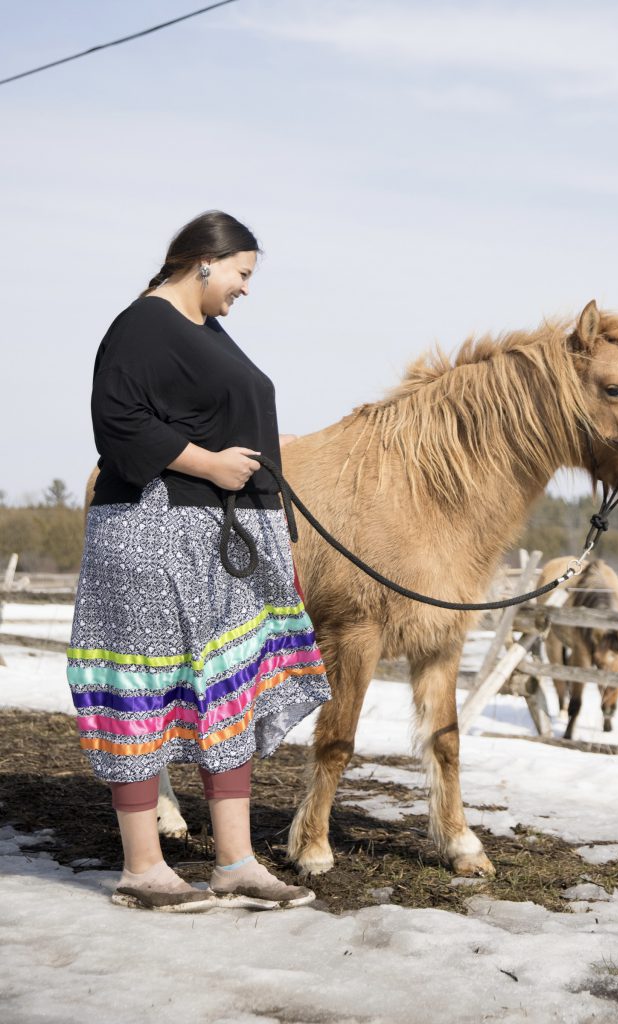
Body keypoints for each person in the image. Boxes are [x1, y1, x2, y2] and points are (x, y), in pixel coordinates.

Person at [67, 211, 332, 912]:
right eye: (244, 273)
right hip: (153, 529)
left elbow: (203, 409)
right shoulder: (141, 326)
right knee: (142, 687)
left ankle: (236, 861)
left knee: (230, 688)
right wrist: (209, 462)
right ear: (206, 260)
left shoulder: (205, 332)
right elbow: (119, 421)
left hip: (218, 535)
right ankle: (143, 867)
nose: (246, 289)